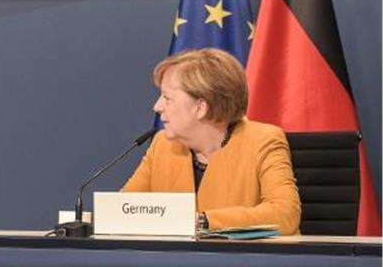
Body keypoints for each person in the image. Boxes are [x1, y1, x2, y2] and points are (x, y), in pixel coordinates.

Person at [121, 48, 301, 234]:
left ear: (200, 107)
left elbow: (285, 215)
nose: (157, 106)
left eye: (167, 98)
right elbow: (123, 210)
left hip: (245, 253)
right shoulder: (162, 145)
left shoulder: (263, 141)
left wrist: (204, 221)